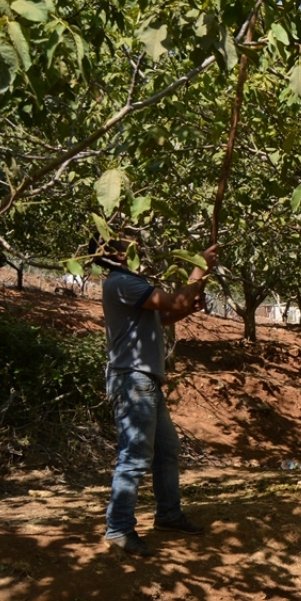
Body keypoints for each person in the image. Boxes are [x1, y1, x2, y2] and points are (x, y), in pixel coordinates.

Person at [95, 235, 218, 556]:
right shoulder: (122, 282)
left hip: (144, 380)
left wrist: (188, 305)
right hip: (133, 381)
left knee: (166, 450)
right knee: (135, 456)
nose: (137, 249)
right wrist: (199, 269)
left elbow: (165, 316)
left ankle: (168, 515)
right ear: (117, 256)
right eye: (128, 246)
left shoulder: (131, 284)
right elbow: (174, 303)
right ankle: (119, 528)